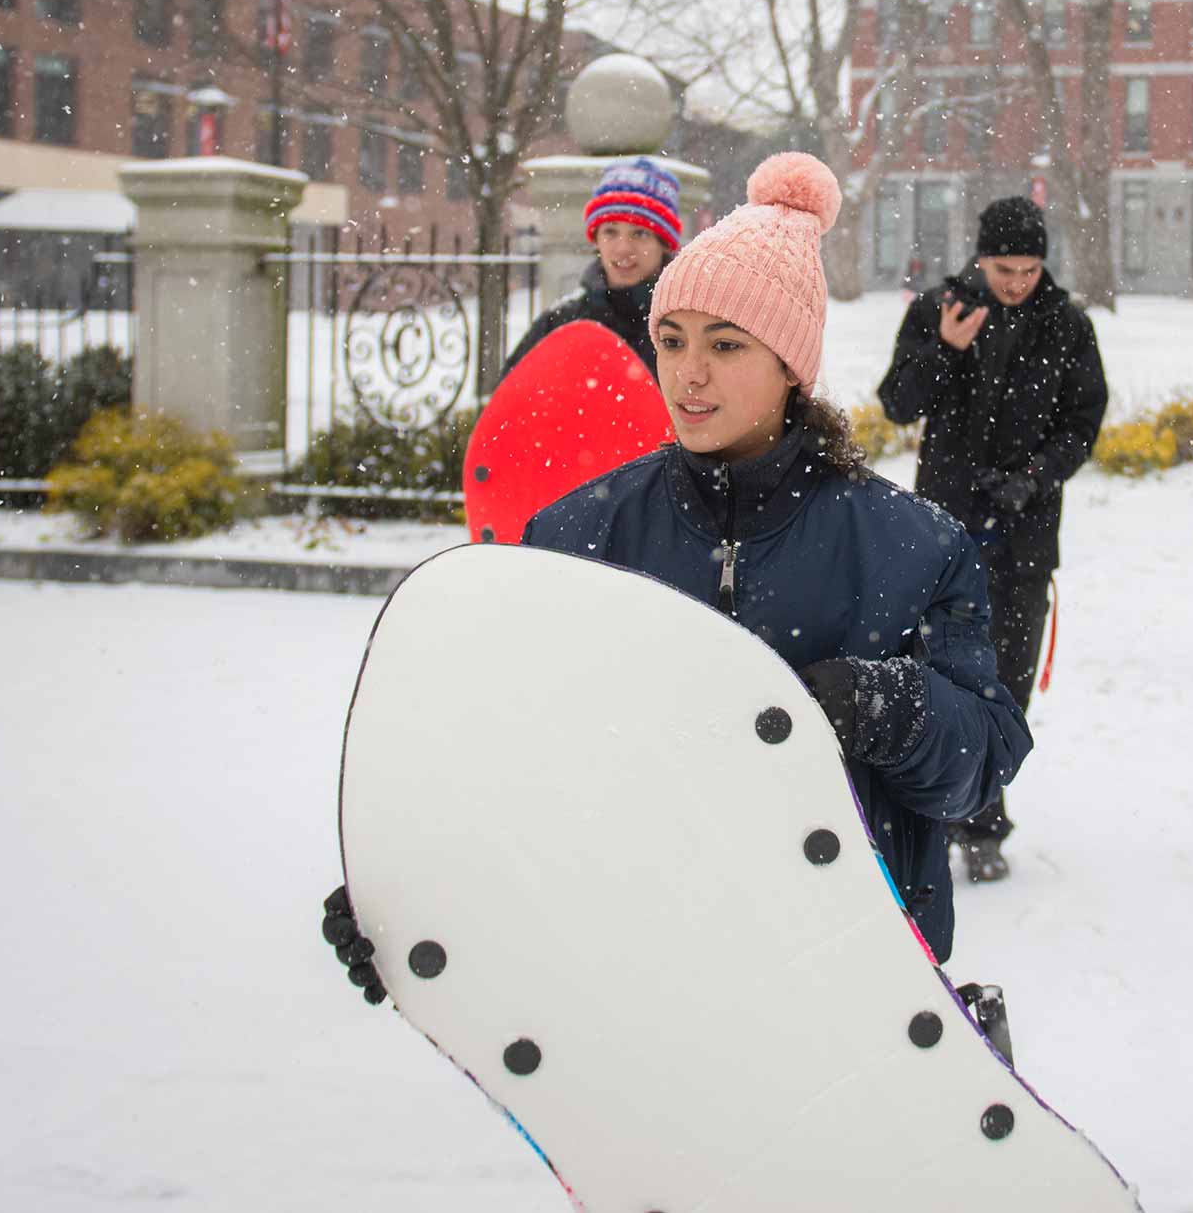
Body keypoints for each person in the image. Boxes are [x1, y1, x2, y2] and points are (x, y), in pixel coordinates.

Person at [322, 152, 1032, 999]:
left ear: (789, 365)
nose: (688, 373)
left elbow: (984, 759)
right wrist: (417, 897)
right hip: (637, 985)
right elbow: (517, 752)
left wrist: (887, 705)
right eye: (670, 339)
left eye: (726, 344)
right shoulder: (576, 532)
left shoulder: (912, 547)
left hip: (849, 987)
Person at [877, 195, 1108, 884]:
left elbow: (1083, 421)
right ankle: (936, 814)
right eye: (1004, 267)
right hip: (944, 533)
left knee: (1006, 685)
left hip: (1025, 533)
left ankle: (982, 813)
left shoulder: (1067, 325)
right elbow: (896, 402)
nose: (1015, 281)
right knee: (939, 676)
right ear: (980, 257)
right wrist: (944, 349)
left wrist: (1034, 477)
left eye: (1029, 268)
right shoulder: (940, 309)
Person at [505, 157, 682, 375]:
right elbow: (510, 400)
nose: (623, 248)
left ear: (664, 244)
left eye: (640, 233)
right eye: (610, 231)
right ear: (596, 239)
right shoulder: (560, 323)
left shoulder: (686, 329)